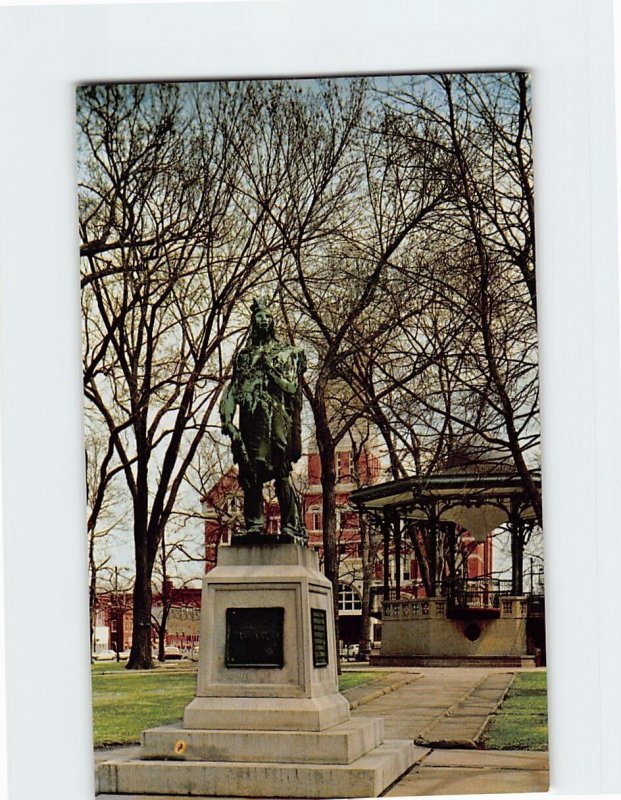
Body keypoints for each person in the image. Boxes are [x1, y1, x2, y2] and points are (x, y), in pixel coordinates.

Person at [219, 298, 307, 543]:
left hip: (275, 419)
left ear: (272, 323)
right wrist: (227, 420)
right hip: (251, 421)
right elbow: (233, 388)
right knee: (250, 474)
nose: (264, 321)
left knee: (280, 472)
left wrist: (271, 371)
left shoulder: (283, 353)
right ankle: (254, 524)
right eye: (260, 317)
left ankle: (291, 525)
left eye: (268, 317)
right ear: (253, 322)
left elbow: (291, 387)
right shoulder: (244, 356)